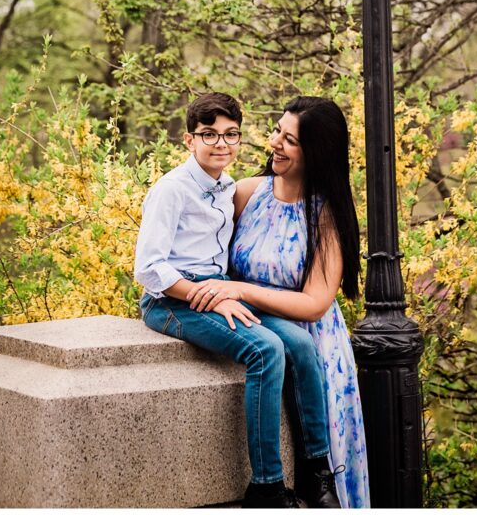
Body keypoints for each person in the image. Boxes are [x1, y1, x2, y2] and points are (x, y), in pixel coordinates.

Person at [134, 91, 340, 509]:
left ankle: (317, 471)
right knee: (264, 350)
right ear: (189, 140)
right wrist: (203, 294)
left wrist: (225, 292)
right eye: (208, 135)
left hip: (219, 289)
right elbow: (149, 268)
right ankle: (266, 486)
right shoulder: (172, 190)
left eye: (231, 135)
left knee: (299, 343)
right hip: (174, 300)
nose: (221, 144)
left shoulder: (230, 188)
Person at [191, 96, 371, 509]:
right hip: (252, 328)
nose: (275, 143)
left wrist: (240, 290)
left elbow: (314, 304)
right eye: (277, 131)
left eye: (289, 140)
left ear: (315, 153)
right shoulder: (245, 194)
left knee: (323, 489)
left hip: (315, 349)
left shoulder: (325, 215)